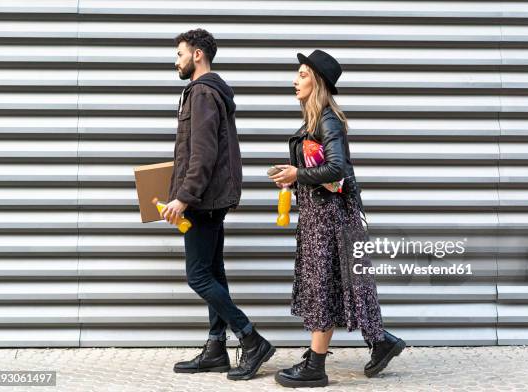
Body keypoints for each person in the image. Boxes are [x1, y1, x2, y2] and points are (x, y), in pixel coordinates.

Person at [268, 49, 406, 388]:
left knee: (323, 287)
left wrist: (295, 174)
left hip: (330, 219)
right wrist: (294, 177)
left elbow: (337, 169)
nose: (294, 81)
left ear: (318, 82)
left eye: (302, 75)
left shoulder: (327, 120)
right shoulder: (315, 121)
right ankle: (382, 342)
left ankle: (316, 367)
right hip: (322, 217)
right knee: (343, 286)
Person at [161, 28, 275, 381]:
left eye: (180, 54)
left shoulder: (201, 93)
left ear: (197, 55)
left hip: (203, 200)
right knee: (213, 273)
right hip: (208, 198)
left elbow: (203, 153)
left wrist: (183, 196)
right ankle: (215, 347)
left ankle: (250, 338)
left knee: (197, 275)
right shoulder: (208, 92)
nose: (176, 61)